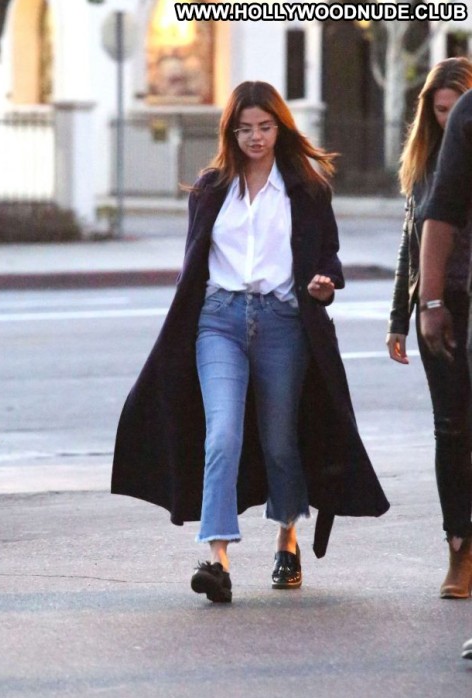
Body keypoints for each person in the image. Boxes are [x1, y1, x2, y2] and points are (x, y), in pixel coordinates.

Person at [111, 81, 389, 603]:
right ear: (231, 132)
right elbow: (193, 262)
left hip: (283, 323)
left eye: (264, 127)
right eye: (244, 129)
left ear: (279, 128)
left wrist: (324, 283)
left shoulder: (307, 189)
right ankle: (216, 557)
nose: (255, 137)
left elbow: (327, 256)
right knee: (222, 435)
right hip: (218, 321)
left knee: (280, 440)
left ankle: (287, 538)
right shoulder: (211, 188)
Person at [386, 58, 472, 599]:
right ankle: (459, 549)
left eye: (457, 109)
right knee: (451, 429)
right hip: (440, 308)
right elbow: (410, 244)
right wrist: (400, 317)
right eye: (441, 111)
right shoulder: (422, 168)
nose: (450, 120)